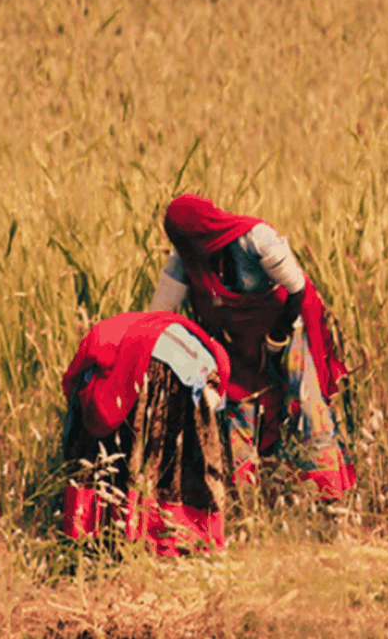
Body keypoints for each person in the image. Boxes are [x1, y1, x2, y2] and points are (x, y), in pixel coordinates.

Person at [150, 194, 354, 499]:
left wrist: (277, 339)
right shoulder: (186, 256)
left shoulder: (256, 239)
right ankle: (251, 499)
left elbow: (296, 289)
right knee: (237, 405)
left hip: (286, 325)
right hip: (236, 336)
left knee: (304, 402)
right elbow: (160, 313)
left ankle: (327, 498)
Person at [61, 311, 232, 555]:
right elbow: (209, 404)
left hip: (144, 360)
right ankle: (174, 536)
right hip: (176, 370)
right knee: (168, 457)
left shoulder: (171, 331)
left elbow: (76, 374)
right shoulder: (211, 359)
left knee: (116, 450)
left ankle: (103, 530)